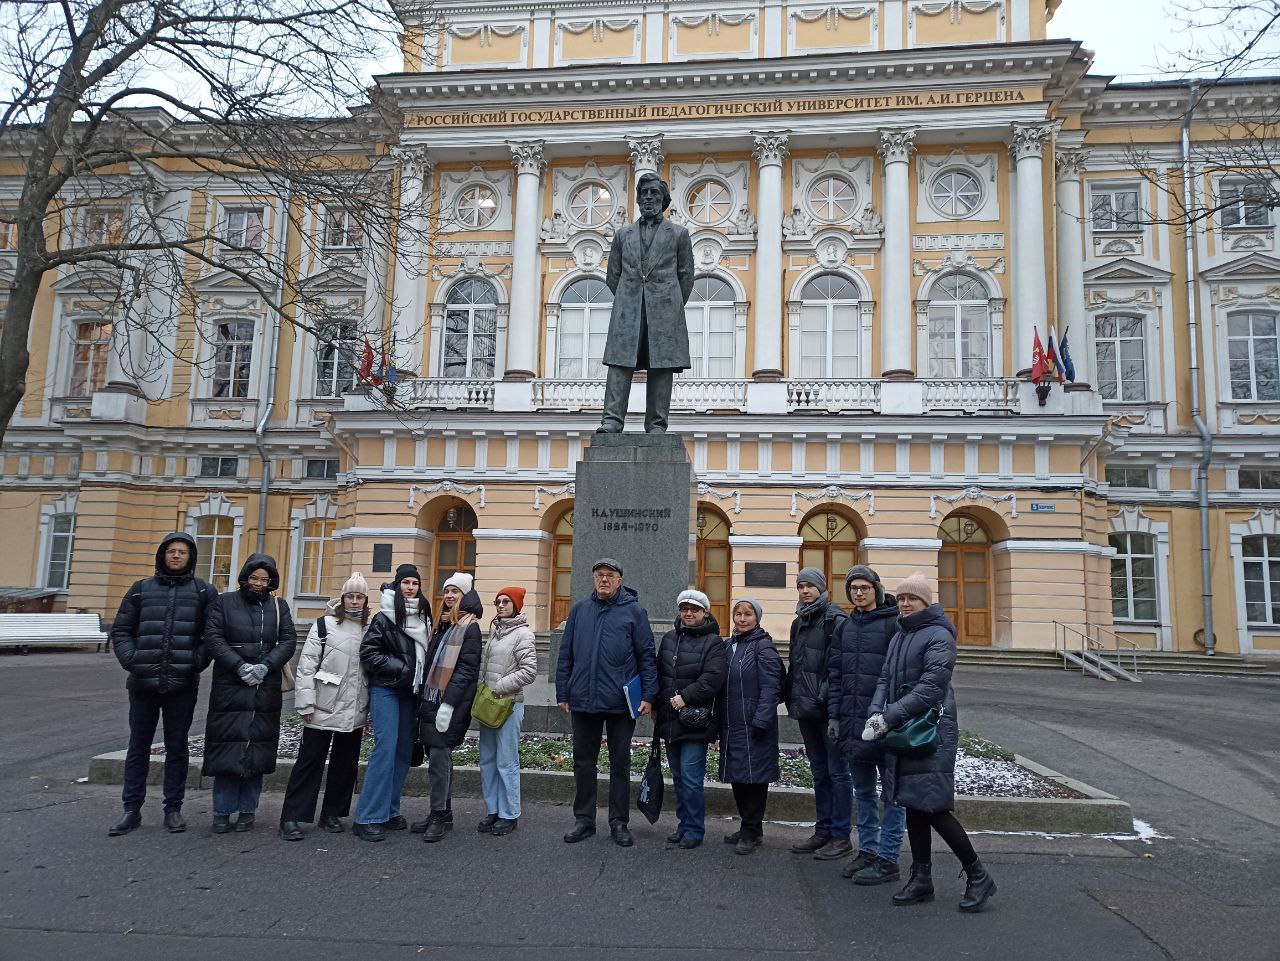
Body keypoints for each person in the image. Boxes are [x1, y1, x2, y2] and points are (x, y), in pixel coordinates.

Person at [863, 572, 997, 913]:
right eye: (902, 598)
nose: (905, 603)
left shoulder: (938, 635)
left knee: (935, 807)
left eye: (913, 599)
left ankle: (978, 874)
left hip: (930, 731)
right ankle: (922, 878)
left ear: (926, 602)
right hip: (904, 730)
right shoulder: (900, 634)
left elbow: (931, 688)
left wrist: (889, 717)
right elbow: (884, 678)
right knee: (912, 803)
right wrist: (875, 712)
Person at [107, 532, 217, 836]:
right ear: (162, 555)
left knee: (177, 747)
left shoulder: (203, 591)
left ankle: (173, 808)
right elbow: (121, 630)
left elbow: (212, 635)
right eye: (172, 551)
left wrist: (194, 663)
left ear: (191, 557)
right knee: (138, 746)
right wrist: (133, 660)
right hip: (142, 683)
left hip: (181, 683)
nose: (177, 556)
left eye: (183, 551)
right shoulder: (141, 590)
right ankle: (131, 809)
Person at [555, 557, 658, 847]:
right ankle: (584, 820)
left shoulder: (634, 612)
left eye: (610, 575)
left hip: (619, 702)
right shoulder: (580, 611)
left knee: (619, 764)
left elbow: (646, 655)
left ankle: (618, 822)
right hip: (584, 700)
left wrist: (649, 695)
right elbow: (566, 654)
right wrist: (563, 691)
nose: (604, 580)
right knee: (583, 763)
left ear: (620, 580)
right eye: (599, 575)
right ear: (593, 579)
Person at [202, 554, 297, 834]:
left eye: (264, 579)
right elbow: (214, 638)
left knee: (257, 749)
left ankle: (247, 810)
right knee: (227, 747)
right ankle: (222, 810)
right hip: (230, 686)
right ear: (245, 577)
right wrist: (239, 665)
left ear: (271, 582)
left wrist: (266, 667)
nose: (258, 583)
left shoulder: (279, 606)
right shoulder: (224, 602)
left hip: (264, 687)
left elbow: (288, 640)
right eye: (254, 577)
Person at [598, 171, 696, 434]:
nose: (648, 197)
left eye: (654, 193)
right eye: (644, 193)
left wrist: (670, 304)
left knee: (661, 367)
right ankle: (612, 420)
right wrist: (629, 298)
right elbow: (613, 275)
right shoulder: (623, 235)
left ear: (664, 199)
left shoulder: (679, 235)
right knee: (619, 364)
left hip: (664, 311)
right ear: (639, 199)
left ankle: (656, 424)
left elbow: (686, 277)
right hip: (628, 309)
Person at [278, 572, 371, 841]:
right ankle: (292, 816)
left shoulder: (369, 628)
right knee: (309, 761)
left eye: (360, 597)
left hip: (354, 707)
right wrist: (305, 704)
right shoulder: (324, 625)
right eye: (350, 596)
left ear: (366, 600)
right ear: (342, 599)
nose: (355, 601)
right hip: (322, 704)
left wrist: (368, 712)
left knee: (345, 763)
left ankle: (332, 813)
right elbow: (307, 666)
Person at [827, 565, 906, 884]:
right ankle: (868, 851)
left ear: (876, 589)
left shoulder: (895, 624)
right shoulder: (845, 627)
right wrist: (834, 715)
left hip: (886, 724)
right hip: (853, 722)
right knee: (863, 792)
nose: (859, 593)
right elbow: (836, 675)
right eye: (853, 589)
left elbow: (903, 674)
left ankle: (888, 857)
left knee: (892, 795)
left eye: (864, 587)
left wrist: (893, 716)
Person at [353, 563, 431, 841]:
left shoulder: (423, 616)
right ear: (397, 585)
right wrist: (401, 668)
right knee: (384, 750)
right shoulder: (384, 617)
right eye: (406, 582)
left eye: (415, 583)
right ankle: (367, 817)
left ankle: (389, 810)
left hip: (410, 693)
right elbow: (369, 652)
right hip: (386, 690)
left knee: (402, 753)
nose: (410, 588)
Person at [412, 572, 483, 843]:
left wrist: (448, 705)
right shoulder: (444, 625)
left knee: (440, 760)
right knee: (436, 757)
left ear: (466, 596)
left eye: (456, 592)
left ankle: (438, 815)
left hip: (448, 703)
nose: (450, 596)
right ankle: (444, 812)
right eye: (448, 591)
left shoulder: (469, 627)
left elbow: (466, 671)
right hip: (432, 699)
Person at [786, 567, 850, 860]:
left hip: (827, 709)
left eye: (810, 586)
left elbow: (840, 668)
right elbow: (796, 667)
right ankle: (823, 830)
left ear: (823, 589)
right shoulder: (799, 622)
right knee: (819, 772)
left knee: (838, 773)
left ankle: (840, 835)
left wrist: (823, 695)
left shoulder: (835, 620)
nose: (805, 591)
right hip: (805, 709)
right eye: (801, 586)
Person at [655, 589, 727, 850]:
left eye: (694, 609)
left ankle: (695, 829)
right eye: (684, 609)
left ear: (704, 613)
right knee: (678, 776)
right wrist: (657, 703)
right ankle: (683, 824)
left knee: (691, 776)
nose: (688, 613)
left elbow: (713, 678)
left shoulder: (714, 642)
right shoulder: (669, 639)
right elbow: (659, 672)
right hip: (669, 718)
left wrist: (684, 697)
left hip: (695, 719)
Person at [718, 598, 783, 855]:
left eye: (747, 614)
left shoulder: (764, 647)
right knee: (738, 776)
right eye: (738, 614)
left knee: (755, 778)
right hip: (732, 723)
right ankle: (750, 827)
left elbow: (771, 688)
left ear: (757, 618)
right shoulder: (729, 647)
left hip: (755, 724)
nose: (742, 619)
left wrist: (761, 719)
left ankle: (751, 830)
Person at [476, 586, 539, 836]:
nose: (500, 605)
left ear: (516, 605)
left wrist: (498, 687)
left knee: (506, 761)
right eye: (498, 601)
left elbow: (529, 670)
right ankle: (493, 810)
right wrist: (483, 690)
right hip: (489, 704)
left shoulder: (523, 634)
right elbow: (484, 667)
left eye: (506, 601)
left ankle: (509, 814)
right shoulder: (496, 632)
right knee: (488, 760)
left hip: (509, 704)